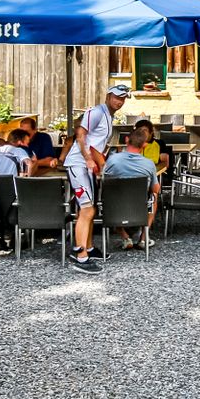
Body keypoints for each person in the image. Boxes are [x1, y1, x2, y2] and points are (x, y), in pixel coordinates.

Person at [66, 85, 129, 271]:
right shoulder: (96, 112)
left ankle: (89, 247)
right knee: (87, 209)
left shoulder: (108, 115)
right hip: (78, 165)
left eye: (123, 98)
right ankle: (80, 257)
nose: (120, 101)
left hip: (88, 167)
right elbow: (80, 135)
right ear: (108, 96)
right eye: (117, 97)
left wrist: (100, 164)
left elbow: (96, 144)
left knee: (90, 208)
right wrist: (88, 159)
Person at [100, 124, 161, 249]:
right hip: (139, 204)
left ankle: (124, 236)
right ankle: (143, 238)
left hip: (115, 205)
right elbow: (156, 189)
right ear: (144, 145)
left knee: (108, 197)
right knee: (154, 196)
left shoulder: (112, 160)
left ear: (126, 140)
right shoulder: (149, 164)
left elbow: (103, 180)